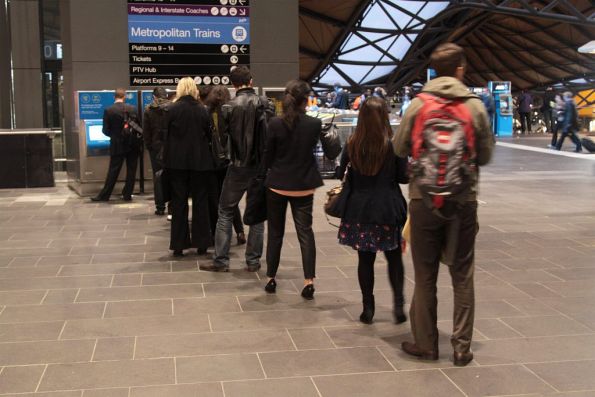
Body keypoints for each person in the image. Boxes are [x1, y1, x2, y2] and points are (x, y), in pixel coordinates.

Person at [393, 43, 494, 366]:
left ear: (434, 70)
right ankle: (461, 347)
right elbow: (487, 155)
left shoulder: (418, 104)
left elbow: (398, 147)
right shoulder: (475, 106)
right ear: (460, 68)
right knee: (462, 274)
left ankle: (427, 344)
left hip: (423, 200)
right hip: (463, 200)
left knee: (425, 275)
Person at [338, 96, 409, 324]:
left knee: (365, 260)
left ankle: (368, 308)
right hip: (387, 209)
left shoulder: (352, 143)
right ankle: (398, 305)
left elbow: (341, 173)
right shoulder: (393, 145)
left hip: (359, 210)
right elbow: (403, 178)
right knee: (394, 258)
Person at [201, 66, 274, 272]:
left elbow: (223, 141)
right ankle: (253, 261)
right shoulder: (266, 104)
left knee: (225, 211)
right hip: (260, 168)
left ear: (233, 85)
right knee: (257, 215)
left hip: (237, 168)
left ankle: (221, 261)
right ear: (251, 81)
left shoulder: (227, 108)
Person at [262, 80, 324, 300]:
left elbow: (268, 157)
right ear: (305, 100)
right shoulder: (314, 124)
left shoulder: (275, 124)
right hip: (304, 186)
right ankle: (309, 282)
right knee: (305, 233)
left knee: (275, 233)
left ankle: (270, 278)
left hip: (277, 185)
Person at [164, 77, 215, 257]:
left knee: (179, 202)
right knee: (201, 202)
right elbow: (209, 136)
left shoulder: (171, 109)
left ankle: (178, 245)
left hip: (177, 163)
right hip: (201, 163)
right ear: (194, 89)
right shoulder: (203, 110)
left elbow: (166, 136)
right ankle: (202, 243)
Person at [204, 86, 246, 245]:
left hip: (211, 162)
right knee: (230, 200)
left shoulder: (206, 112)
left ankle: (217, 233)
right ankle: (240, 231)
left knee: (214, 199)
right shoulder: (231, 111)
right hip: (229, 161)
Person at [91, 89, 140, 202]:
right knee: (131, 170)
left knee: (113, 170)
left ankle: (105, 195)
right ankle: (127, 194)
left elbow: (105, 130)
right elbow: (138, 126)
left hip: (117, 144)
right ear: (124, 96)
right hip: (132, 144)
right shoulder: (132, 109)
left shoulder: (109, 110)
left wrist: (114, 136)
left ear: (114, 97)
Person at [142, 87, 171, 215]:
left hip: (156, 147)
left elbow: (146, 132)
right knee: (173, 175)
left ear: (154, 96)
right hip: (171, 146)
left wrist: (149, 146)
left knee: (158, 176)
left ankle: (160, 207)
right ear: (166, 95)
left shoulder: (148, 109)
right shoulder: (173, 107)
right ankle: (172, 205)